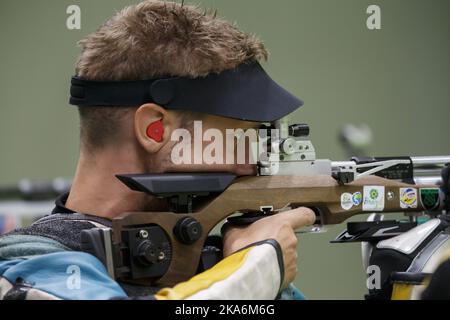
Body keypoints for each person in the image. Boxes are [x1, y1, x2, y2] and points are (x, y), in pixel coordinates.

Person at [0, 0, 315, 300]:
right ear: (155, 129)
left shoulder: (207, 269)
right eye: (240, 140)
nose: (250, 165)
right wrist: (256, 270)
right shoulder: (28, 268)